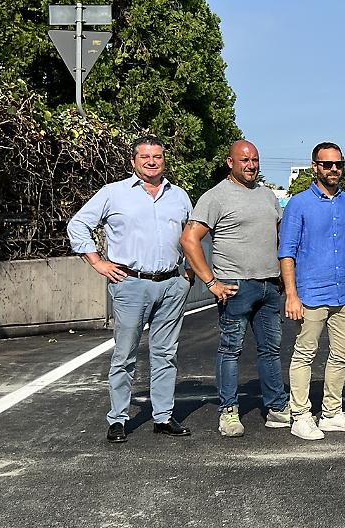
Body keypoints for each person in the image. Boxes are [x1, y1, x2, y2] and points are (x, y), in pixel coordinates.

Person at [67, 136, 193, 442]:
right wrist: (98, 263)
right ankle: (118, 419)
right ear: (133, 161)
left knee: (166, 353)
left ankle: (162, 416)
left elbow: (192, 233)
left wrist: (189, 269)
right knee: (125, 354)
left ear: (164, 160)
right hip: (130, 283)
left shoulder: (179, 196)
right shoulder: (113, 193)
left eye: (158, 157)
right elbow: (78, 225)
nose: (152, 162)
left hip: (171, 283)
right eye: (145, 156)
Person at [181, 139, 291, 437]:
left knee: (270, 349)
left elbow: (281, 239)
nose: (251, 165)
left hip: (270, 285)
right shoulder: (216, 197)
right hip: (235, 286)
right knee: (230, 350)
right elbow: (189, 240)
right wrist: (211, 282)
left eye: (254, 159)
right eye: (244, 160)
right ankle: (228, 411)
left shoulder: (267, 196)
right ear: (230, 162)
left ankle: (277, 407)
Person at [278, 143, 345, 440]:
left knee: (342, 354)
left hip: (344, 292)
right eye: (327, 164)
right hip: (311, 292)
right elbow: (287, 252)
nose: (333, 169)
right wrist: (291, 294)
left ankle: (331, 413)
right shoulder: (298, 204)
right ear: (314, 166)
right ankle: (300, 415)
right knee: (305, 353)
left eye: (338, 164)